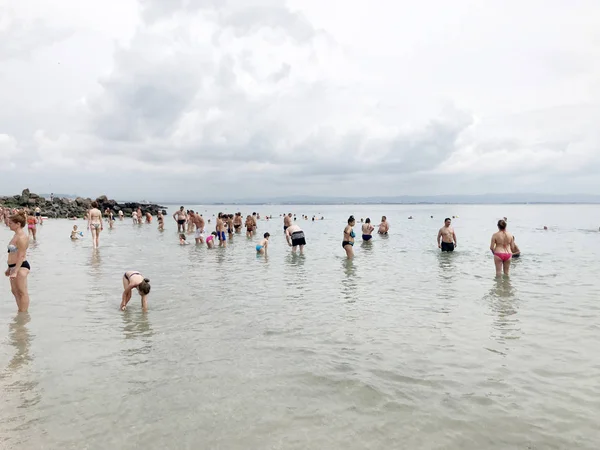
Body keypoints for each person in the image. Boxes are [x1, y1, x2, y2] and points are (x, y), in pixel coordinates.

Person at [6, 210, 31, 312]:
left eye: (10, 223)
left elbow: (21, 256)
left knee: (22, 291)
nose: (8, 224)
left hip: (21, 266)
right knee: (14, 291)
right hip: (13, 266)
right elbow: (12, 253)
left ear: (18, 224)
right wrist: (9, 268)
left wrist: (15, 271)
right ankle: (20, 311)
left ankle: (23, 314)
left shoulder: (22, 237)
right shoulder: (15, 235)